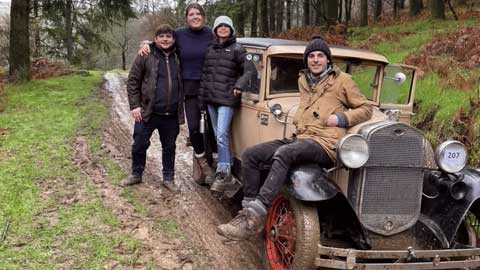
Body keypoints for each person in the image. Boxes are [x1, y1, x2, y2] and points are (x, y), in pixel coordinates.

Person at [216, 37, 375, 240]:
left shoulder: (342, 80)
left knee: (285, 153)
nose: (315, 60)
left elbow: (366, 108)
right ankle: (249, 217)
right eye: (311, 56)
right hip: (303, 138)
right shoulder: (304, 81)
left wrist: (342, 118)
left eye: (320, 56)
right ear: (306, 60)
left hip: (326, 143)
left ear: (328, 60)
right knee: (251, 155)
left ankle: (255, 214)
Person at [139, 3, 216, 183]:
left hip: (210, 87)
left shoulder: (211, 35)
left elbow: (228, 44)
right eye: (191, 14)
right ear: (186, 17)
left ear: (203, 17)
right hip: (188, 89)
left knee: (214, 130)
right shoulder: (180, 34)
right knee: (194, 127)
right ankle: (203, 163)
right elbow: (162, 41)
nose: (195, 17)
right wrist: (145, 44)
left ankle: (221, 167)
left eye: (198, 14)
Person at [122, 24, 184, 192]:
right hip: (148, 111)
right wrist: (134, 106)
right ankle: (136, 174)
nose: (165, 39)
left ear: (173, 39)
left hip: (171, 114)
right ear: (156, 39)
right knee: (140, 143)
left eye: (168, 36)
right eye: (161, 36)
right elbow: (133, 81)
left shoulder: (179, 56)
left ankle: (168, 178)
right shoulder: (146, 55)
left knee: (169, 147)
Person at [198, 16, 253, 194]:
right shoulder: (210, 49)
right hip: (212, 100)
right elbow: (205, 77)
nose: (223, 29)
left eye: (226, 26)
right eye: (219, 26)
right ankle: (225, 167)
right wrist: (201, 100)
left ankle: (224, 171)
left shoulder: (237, 49)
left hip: (227, 99)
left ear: (231, 30)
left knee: (222, 134)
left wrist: (239, 85)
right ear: (215, 30)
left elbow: (250, 70)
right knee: (218, 135)